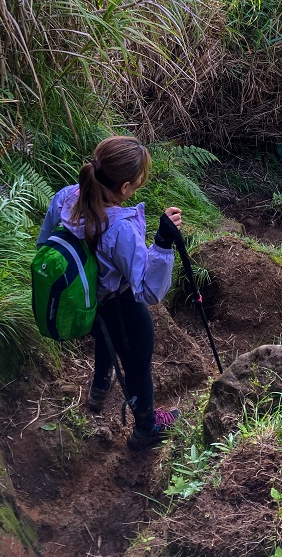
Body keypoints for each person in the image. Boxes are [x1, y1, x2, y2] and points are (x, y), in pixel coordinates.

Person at [37, 135, 182, 450]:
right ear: (126, 187)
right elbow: (148, 291)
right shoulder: (120, 229)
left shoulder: (66, 198)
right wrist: (162, 243)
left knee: (104, 337)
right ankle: (146, 429)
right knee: (137, 359)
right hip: (120, 305)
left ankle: (99, 388)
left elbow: (44, 243)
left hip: (86, 301)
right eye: (140, 179)